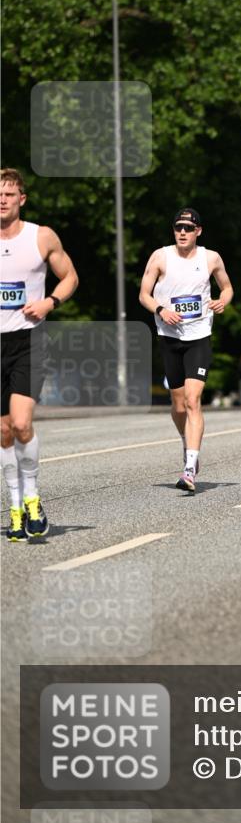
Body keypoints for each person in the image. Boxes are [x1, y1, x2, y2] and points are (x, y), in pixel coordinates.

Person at [1, 168, 78, 542]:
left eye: (8, 194)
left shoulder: (41, 236)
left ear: (22, 199)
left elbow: (70, 277)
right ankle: (15, 508)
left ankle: (32, 497)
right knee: (3, 431)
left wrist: (50, 302)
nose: (2, 200)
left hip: (28, 340)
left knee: (21, 423)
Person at [139, 208, 233, 493]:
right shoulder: (160, 257)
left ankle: (190, 468)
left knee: (193, 400)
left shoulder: (211, 258)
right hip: (169, 337)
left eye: (188, 228)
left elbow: (227, 288)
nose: (182, 232)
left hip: (199, 336)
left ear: (198, 231)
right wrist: (161, 310)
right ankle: (186, 441)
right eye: (178, 227)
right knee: (178, 404)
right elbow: (143, 294)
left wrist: (222, 301)